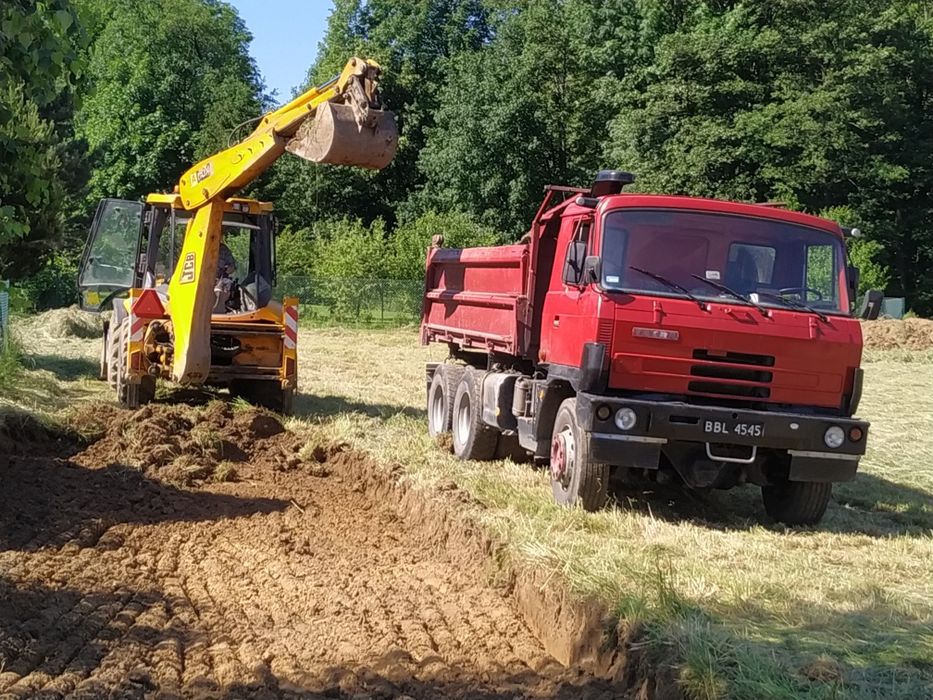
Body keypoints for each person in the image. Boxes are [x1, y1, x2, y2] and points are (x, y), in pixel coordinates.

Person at [214, 233, 238, 313]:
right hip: (203, 279)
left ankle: (219, 310)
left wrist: (228, 269)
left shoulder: (223, 249)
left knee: (225, 286)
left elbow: (232, 267)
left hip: (220, 278)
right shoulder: (200, 248)